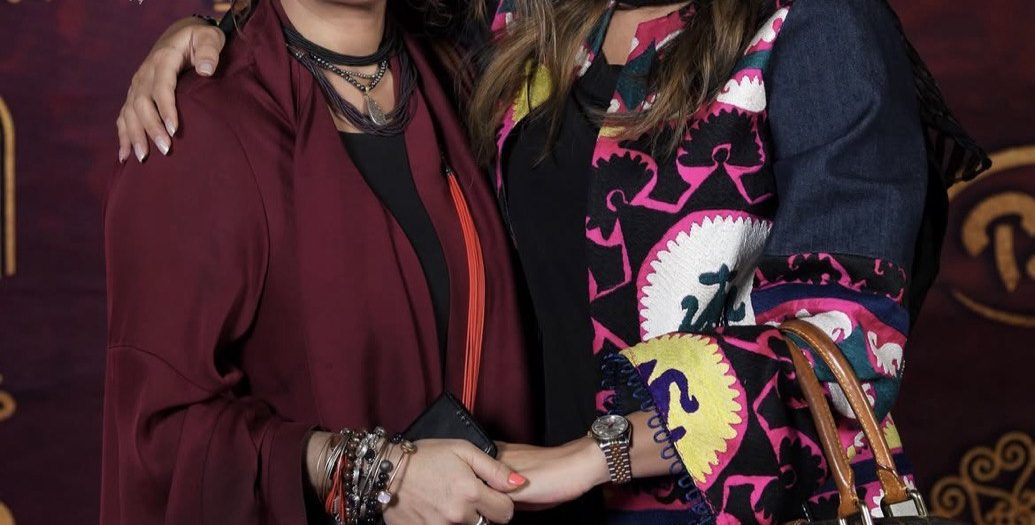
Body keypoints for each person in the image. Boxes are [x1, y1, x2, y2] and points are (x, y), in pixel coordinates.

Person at [113, 0, 989, 524]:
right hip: (525, 505)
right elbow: (335, 32)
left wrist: (587, 457)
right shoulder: (529, 21)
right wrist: (210, 34)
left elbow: (841, 357)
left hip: (713, 506)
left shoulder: (817, 25)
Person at [102, 0, 542, 524]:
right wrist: (365, 472)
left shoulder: (472, 81)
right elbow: (161, 442)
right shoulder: (196, 128)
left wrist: (605, 452)